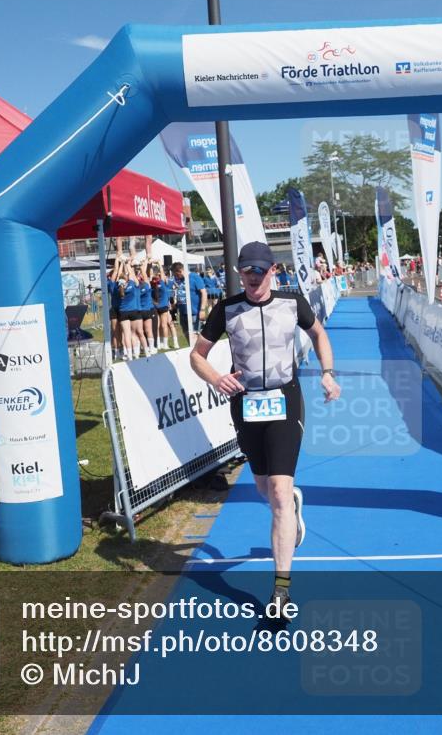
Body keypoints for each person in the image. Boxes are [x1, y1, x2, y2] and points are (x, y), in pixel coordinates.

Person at [190, 241, 341, 614]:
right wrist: (215, 378)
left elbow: (320, 334)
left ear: (273, 270)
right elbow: (197, 354)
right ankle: (291, 505)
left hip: (284, 399)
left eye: (260, 270)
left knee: (277, 488)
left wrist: (327, 373)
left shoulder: (292, 302)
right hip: (246, 403)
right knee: (263, 487)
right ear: (239, 273)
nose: (254, 277)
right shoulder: (226, 309)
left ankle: (281, 591)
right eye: (247, 271)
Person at [172, 262, 207, 338]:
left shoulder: (194, 277)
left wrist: (202, 309)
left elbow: (204, 293)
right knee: (187, 335)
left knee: (194, 337)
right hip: (183, 313)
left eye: (176, 274)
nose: (176, 277)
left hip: (194, 313)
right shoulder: (179, 280)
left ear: (180, 270)